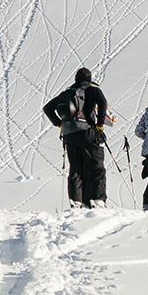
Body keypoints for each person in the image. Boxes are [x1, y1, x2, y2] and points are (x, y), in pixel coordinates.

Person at [43, 67, 108, 209]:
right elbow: (103, 103)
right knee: (96, 166)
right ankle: (98, 200)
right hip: (88, 133)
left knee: (76, 168)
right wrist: (100, 125)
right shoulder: (92, 90)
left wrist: (59, 124)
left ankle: (77, 201)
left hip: (69, 135)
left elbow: (47, 108)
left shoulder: (66, 93)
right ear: (89, 79)